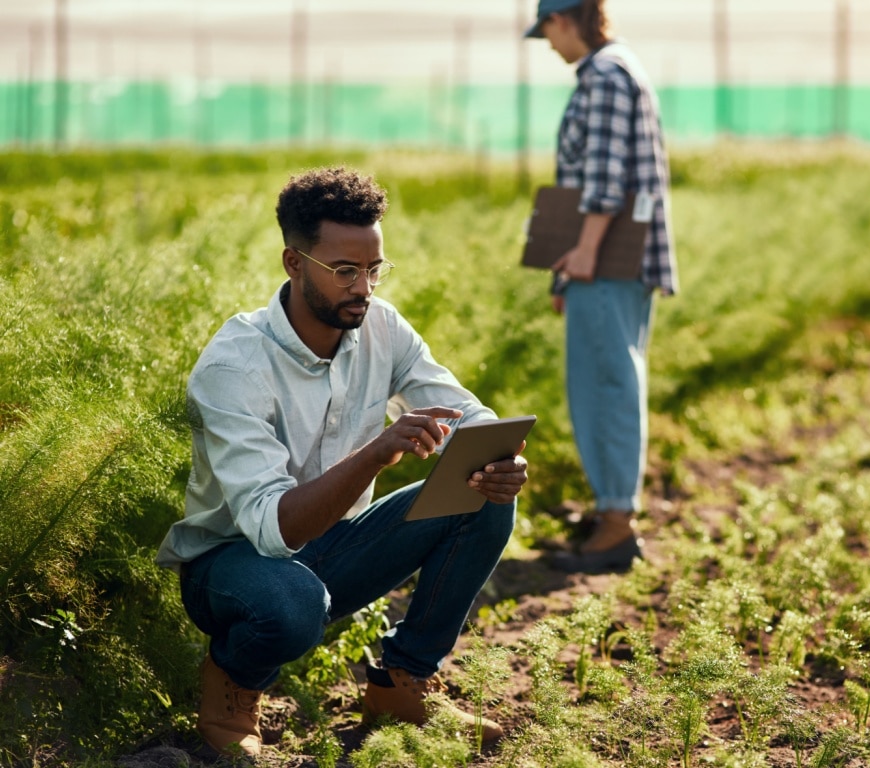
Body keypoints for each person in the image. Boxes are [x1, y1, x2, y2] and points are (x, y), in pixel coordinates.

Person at [155, 165, 528, 757]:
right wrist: (376, 452)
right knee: (290, 605)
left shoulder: (382, 327)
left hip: (332, 547)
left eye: (374, 269)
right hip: (232, 566)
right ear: (294, 263)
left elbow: (464, 412)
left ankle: (401, 683)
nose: (364, 288)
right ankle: (231, 684)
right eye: (345, 271)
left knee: (481, 493)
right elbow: (276, 528)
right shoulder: (236, 367)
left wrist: (496, 455)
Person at [524, 0, 678, 574]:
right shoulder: (616, 71)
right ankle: (611, 514)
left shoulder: (607, 76)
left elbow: (605, 181)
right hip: (608, 261)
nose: (550, 46)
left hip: (609, 260)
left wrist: (584, 253)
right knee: (609, 380)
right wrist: (569, 267)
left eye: (547, 33)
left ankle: (615, 526)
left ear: (564, 20)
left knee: (606, 386)